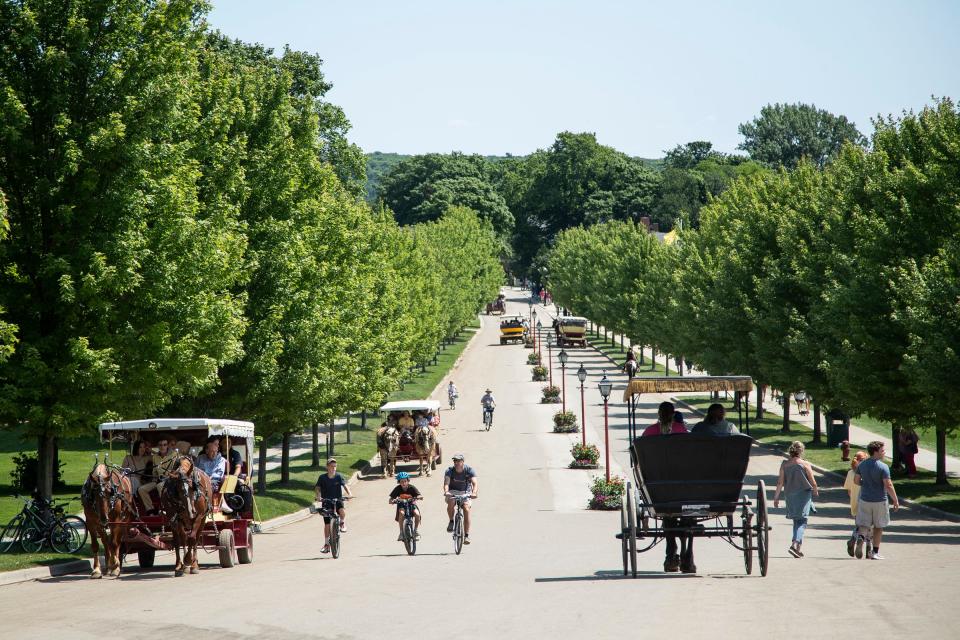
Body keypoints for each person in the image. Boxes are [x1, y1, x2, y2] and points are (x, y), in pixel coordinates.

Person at [640, 402, 693, 572]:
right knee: (681, 517)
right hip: (674, 481)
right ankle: (682, 555)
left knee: (671, 516)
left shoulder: (651, 432)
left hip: (664, 483)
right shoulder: (680, 430)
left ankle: (675, 554)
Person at [854, 441, 900, 560]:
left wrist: (866, 484)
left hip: (864, 499)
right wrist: (895, 500)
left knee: (864, 524)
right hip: (880, 500)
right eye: (882, 451)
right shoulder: (883, 467)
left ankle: (861, 538)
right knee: (879, 527)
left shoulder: (862, 465)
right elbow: (888, 485)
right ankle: (874, 552)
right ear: (875, 452)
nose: (884, 453)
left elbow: (856, 481)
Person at [773, 441, 819, 558]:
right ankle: (795, 543)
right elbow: (812, 481)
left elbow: (780, 482)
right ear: (801, 451)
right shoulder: (805, 464)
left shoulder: (784, 464)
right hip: (803, 495)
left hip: (790, 495)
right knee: (802, 521)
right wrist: (815, 490)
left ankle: (798, 548)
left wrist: (776, 497)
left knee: (796, 521)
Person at [314, 458, 353, 554]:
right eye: (332, 466)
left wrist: (350, 494)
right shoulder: (322, 477)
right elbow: (318, 488)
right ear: (327, 467)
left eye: (335, 466)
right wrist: (318, 496)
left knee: (342, 511)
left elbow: (345, 485)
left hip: (337, 499)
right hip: (326, 502)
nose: (334, 468)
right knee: (327, 524)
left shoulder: (338, 476)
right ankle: (327, 544)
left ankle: (342, 523)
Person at [138, 437, 180, 514]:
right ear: (158, 446)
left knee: (160, 486)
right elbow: (154, 471)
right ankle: (151, 510)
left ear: (167, 446)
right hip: (158, 480)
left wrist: (169, 475)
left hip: (170, 480)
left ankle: (165, 508)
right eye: (160, 445)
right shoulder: (155, 457)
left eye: (164, 445)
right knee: (141, 489)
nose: (162, 447)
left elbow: (176, 470)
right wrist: (154, 478)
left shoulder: (174, 455)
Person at [443, 454, 478, 544]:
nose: (456, 463)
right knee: (451, 502)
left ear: (463, 462)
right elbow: (446, 482)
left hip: (466, 492)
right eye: (455, 461)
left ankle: (466, 536)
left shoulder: (469, 470)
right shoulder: (450, 470)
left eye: (458, 461)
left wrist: (474, 493)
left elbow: (474, 483)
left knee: (466, 509)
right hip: (452, 491)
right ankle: (451, 521)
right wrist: (446, 491)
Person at [843, 451, 869, 557]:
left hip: (855, 503)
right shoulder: (867, 473)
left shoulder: (850, 473)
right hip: (867, 501)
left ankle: (853, 540)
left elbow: (849, 491)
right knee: (869, 526)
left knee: (860, 525)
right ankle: (868, 548)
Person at [389, 472, 422, 541]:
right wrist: (392, 500)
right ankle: (401, 532)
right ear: (399, 482)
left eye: (405, 481)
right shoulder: (397, 489)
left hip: (411, 504)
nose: (403, 483)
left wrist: (419, 497)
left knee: (417, 513)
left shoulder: (412, 487)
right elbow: (391, 498)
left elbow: (418, 494)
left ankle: (415, 531)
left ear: (408, 481)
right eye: (401, 482)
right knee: (401, 513)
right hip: (402, 505)